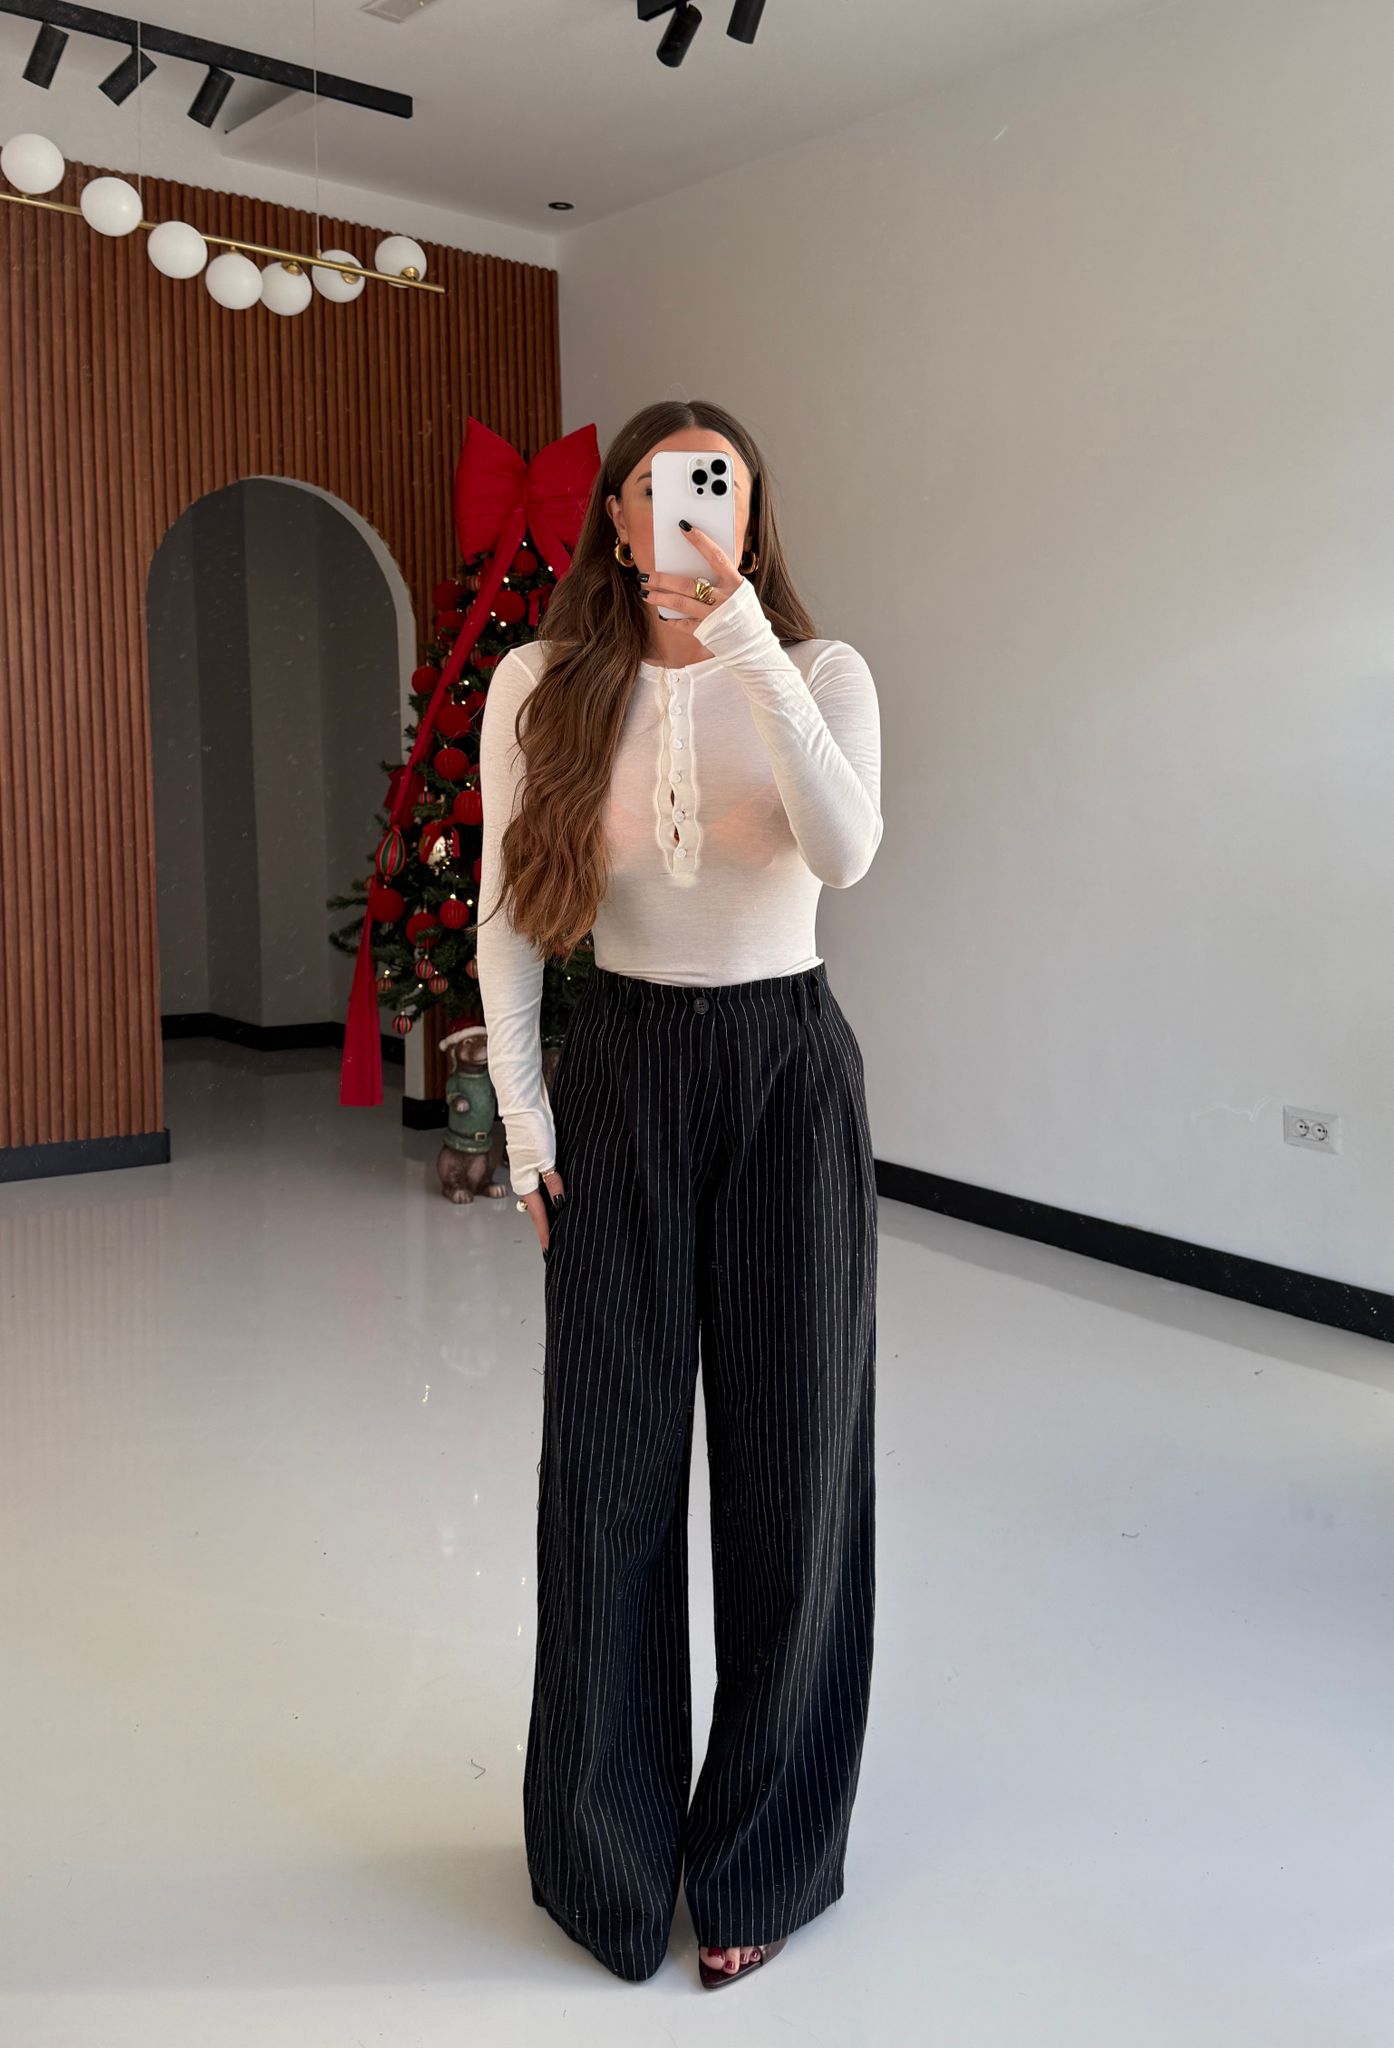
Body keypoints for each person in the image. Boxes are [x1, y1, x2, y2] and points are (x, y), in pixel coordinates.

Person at [475, 398, 883, 1987]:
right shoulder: (543, 682)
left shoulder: (823, 672)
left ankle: (760, 1855)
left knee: (794, 1478)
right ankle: (604, 1857)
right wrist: (526, 1125)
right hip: (625, 1067)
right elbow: (511, 915)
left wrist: (743, 643)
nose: (684, 515)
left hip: (786, 1075)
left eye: (713, 489)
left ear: (750, 511)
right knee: (607, 1478)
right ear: (614, 517)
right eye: (653, 490)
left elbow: (843, 854)